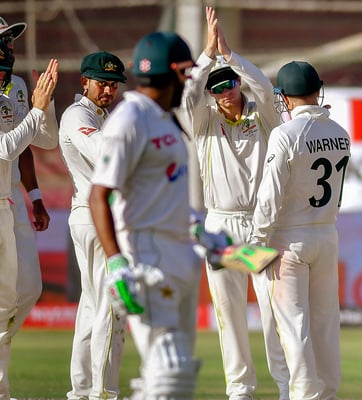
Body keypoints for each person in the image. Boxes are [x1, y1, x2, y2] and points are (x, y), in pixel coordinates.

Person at [176, 7, 289, 399]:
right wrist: (207, 55)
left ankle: (288, 386)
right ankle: (240, 391)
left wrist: (231, 58)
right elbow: (187, 94)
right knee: (230, 315)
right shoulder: (203, 121)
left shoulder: (264, 117)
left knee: (275, 314)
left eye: (229, 86)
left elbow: (263, 87)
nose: (225, 93)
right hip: (221, 227)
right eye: (217, 88)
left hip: (260, 226)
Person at [88, 31, 201, 399]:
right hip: (146, 253)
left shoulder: (167, 118)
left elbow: (167, 188)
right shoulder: (131, 117)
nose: (189, 81)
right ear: (173, 72)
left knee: (173, 376)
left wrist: (199, 229)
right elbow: (99, 195)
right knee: (169, 371)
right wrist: (117, 262)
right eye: (187, 72)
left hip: (179, 251)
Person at [250, 60, 350, 400]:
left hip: (288, 240)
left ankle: (305, 396)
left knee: (294, 328)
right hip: (326, 233)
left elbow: (269, 196)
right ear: (316, 91)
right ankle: (327, 394)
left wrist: (255, 243)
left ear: (286, 98)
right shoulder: (340, 132)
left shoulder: (285, 134)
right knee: (325, 324)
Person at [59, 51, 128, 400]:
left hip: (97, 216)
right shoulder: (77, 114)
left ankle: (82, 390)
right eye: (102, 83)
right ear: (84, 81)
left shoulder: (103, 116)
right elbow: (104, 151)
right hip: (93, 215)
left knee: (92, 305)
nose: (108, 91)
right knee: (110, 306)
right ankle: (103, 392)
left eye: (113, 85)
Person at [0, 36, 58, 399]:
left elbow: (43, 142)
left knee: (20, 294)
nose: (10, 48)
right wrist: (36, 112)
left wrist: (45, 107)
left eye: (9, 42)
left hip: (9, 200)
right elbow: (5, 147)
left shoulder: (14, 86)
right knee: (2, 301)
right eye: (3, 42)